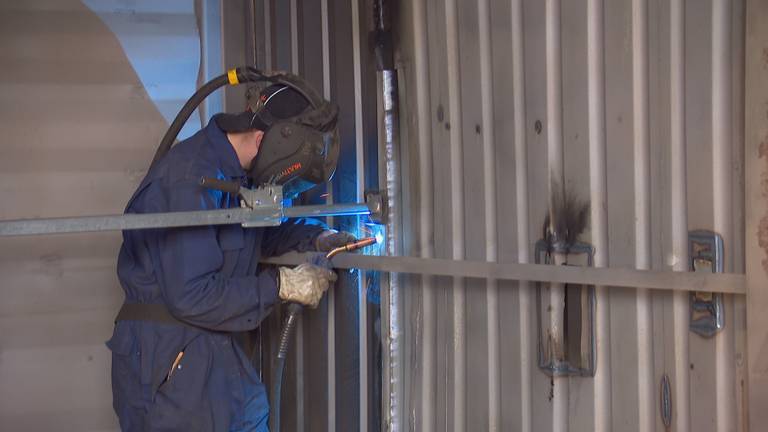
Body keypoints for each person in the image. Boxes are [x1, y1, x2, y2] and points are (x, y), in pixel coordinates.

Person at [106, 82, 355, 431]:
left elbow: (257, 235)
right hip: (172, 365)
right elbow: (191, 294)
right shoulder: (189, 180)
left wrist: (318, 236)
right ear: (270, 142)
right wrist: (280, 285)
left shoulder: (238, 177)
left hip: (213, 353)